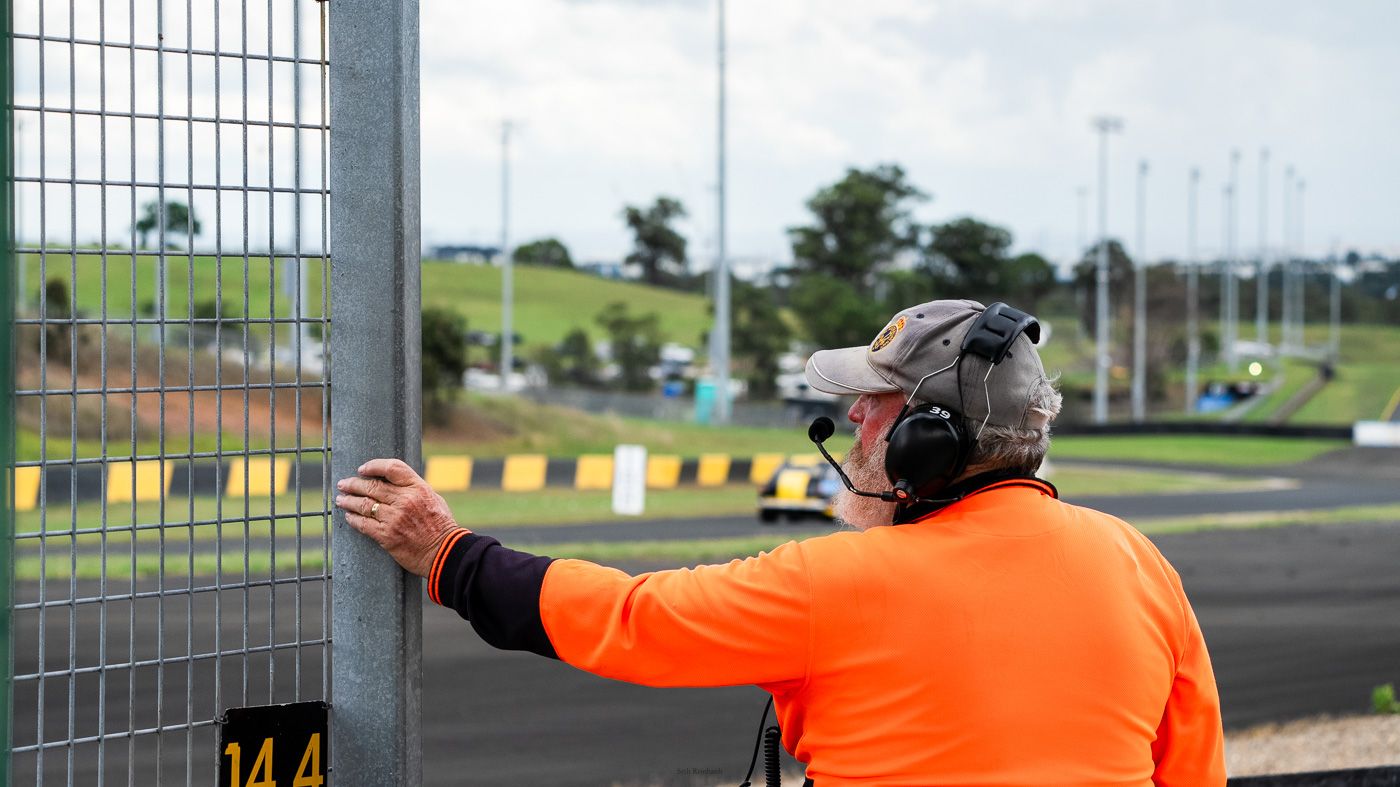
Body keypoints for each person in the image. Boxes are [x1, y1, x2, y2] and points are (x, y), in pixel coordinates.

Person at [335, 299, 1226, 785]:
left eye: (873, 403)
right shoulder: (1139, 561)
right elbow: (1192, 770)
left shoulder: (835, 579)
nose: (854, 418)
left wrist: (448, 552)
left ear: (928, 440)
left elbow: (629, 621)